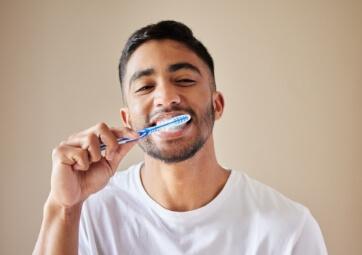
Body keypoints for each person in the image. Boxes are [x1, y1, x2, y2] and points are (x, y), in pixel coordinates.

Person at [33, 20, 328, 255]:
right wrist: (64, 209)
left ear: (217, 105)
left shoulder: (289, 229)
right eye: (145, 87)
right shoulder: (88, 214)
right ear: (127, 120)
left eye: (184, 80)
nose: (166, 97)